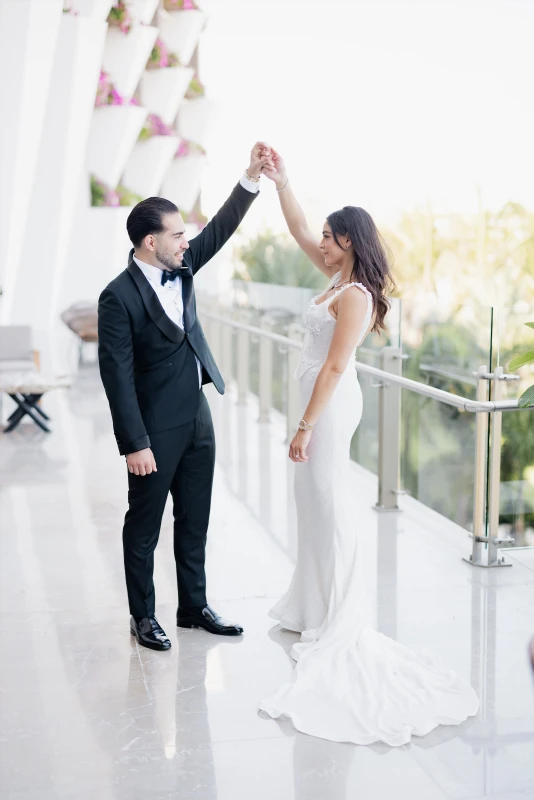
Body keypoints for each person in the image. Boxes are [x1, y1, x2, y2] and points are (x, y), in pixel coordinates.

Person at [258, 147, 479, 746]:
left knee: (329, 504)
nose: (320, 243)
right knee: (310, 503)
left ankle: (341, 619)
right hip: (314, 406)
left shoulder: (354, 294)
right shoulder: (332, 276)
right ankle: (312, 604)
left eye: (331, 238)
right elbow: (300, 226)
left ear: (350, 242)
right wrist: (282, 182)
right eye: (324, 236)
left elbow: (333, 368)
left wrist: (304, 426)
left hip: (328, 410)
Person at [98, 142, 274, 651]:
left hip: (197, 416)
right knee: (145, 526)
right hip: (153, 429)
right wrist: (134, 443)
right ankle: (143, 615)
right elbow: (117, 376)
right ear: (151, 242)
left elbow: (219, 228)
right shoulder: (118, 296)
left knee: (195, 518)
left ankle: (193, 606)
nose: (186, 242)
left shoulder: (183, 264)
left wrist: (250, 177)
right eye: (177, 235)